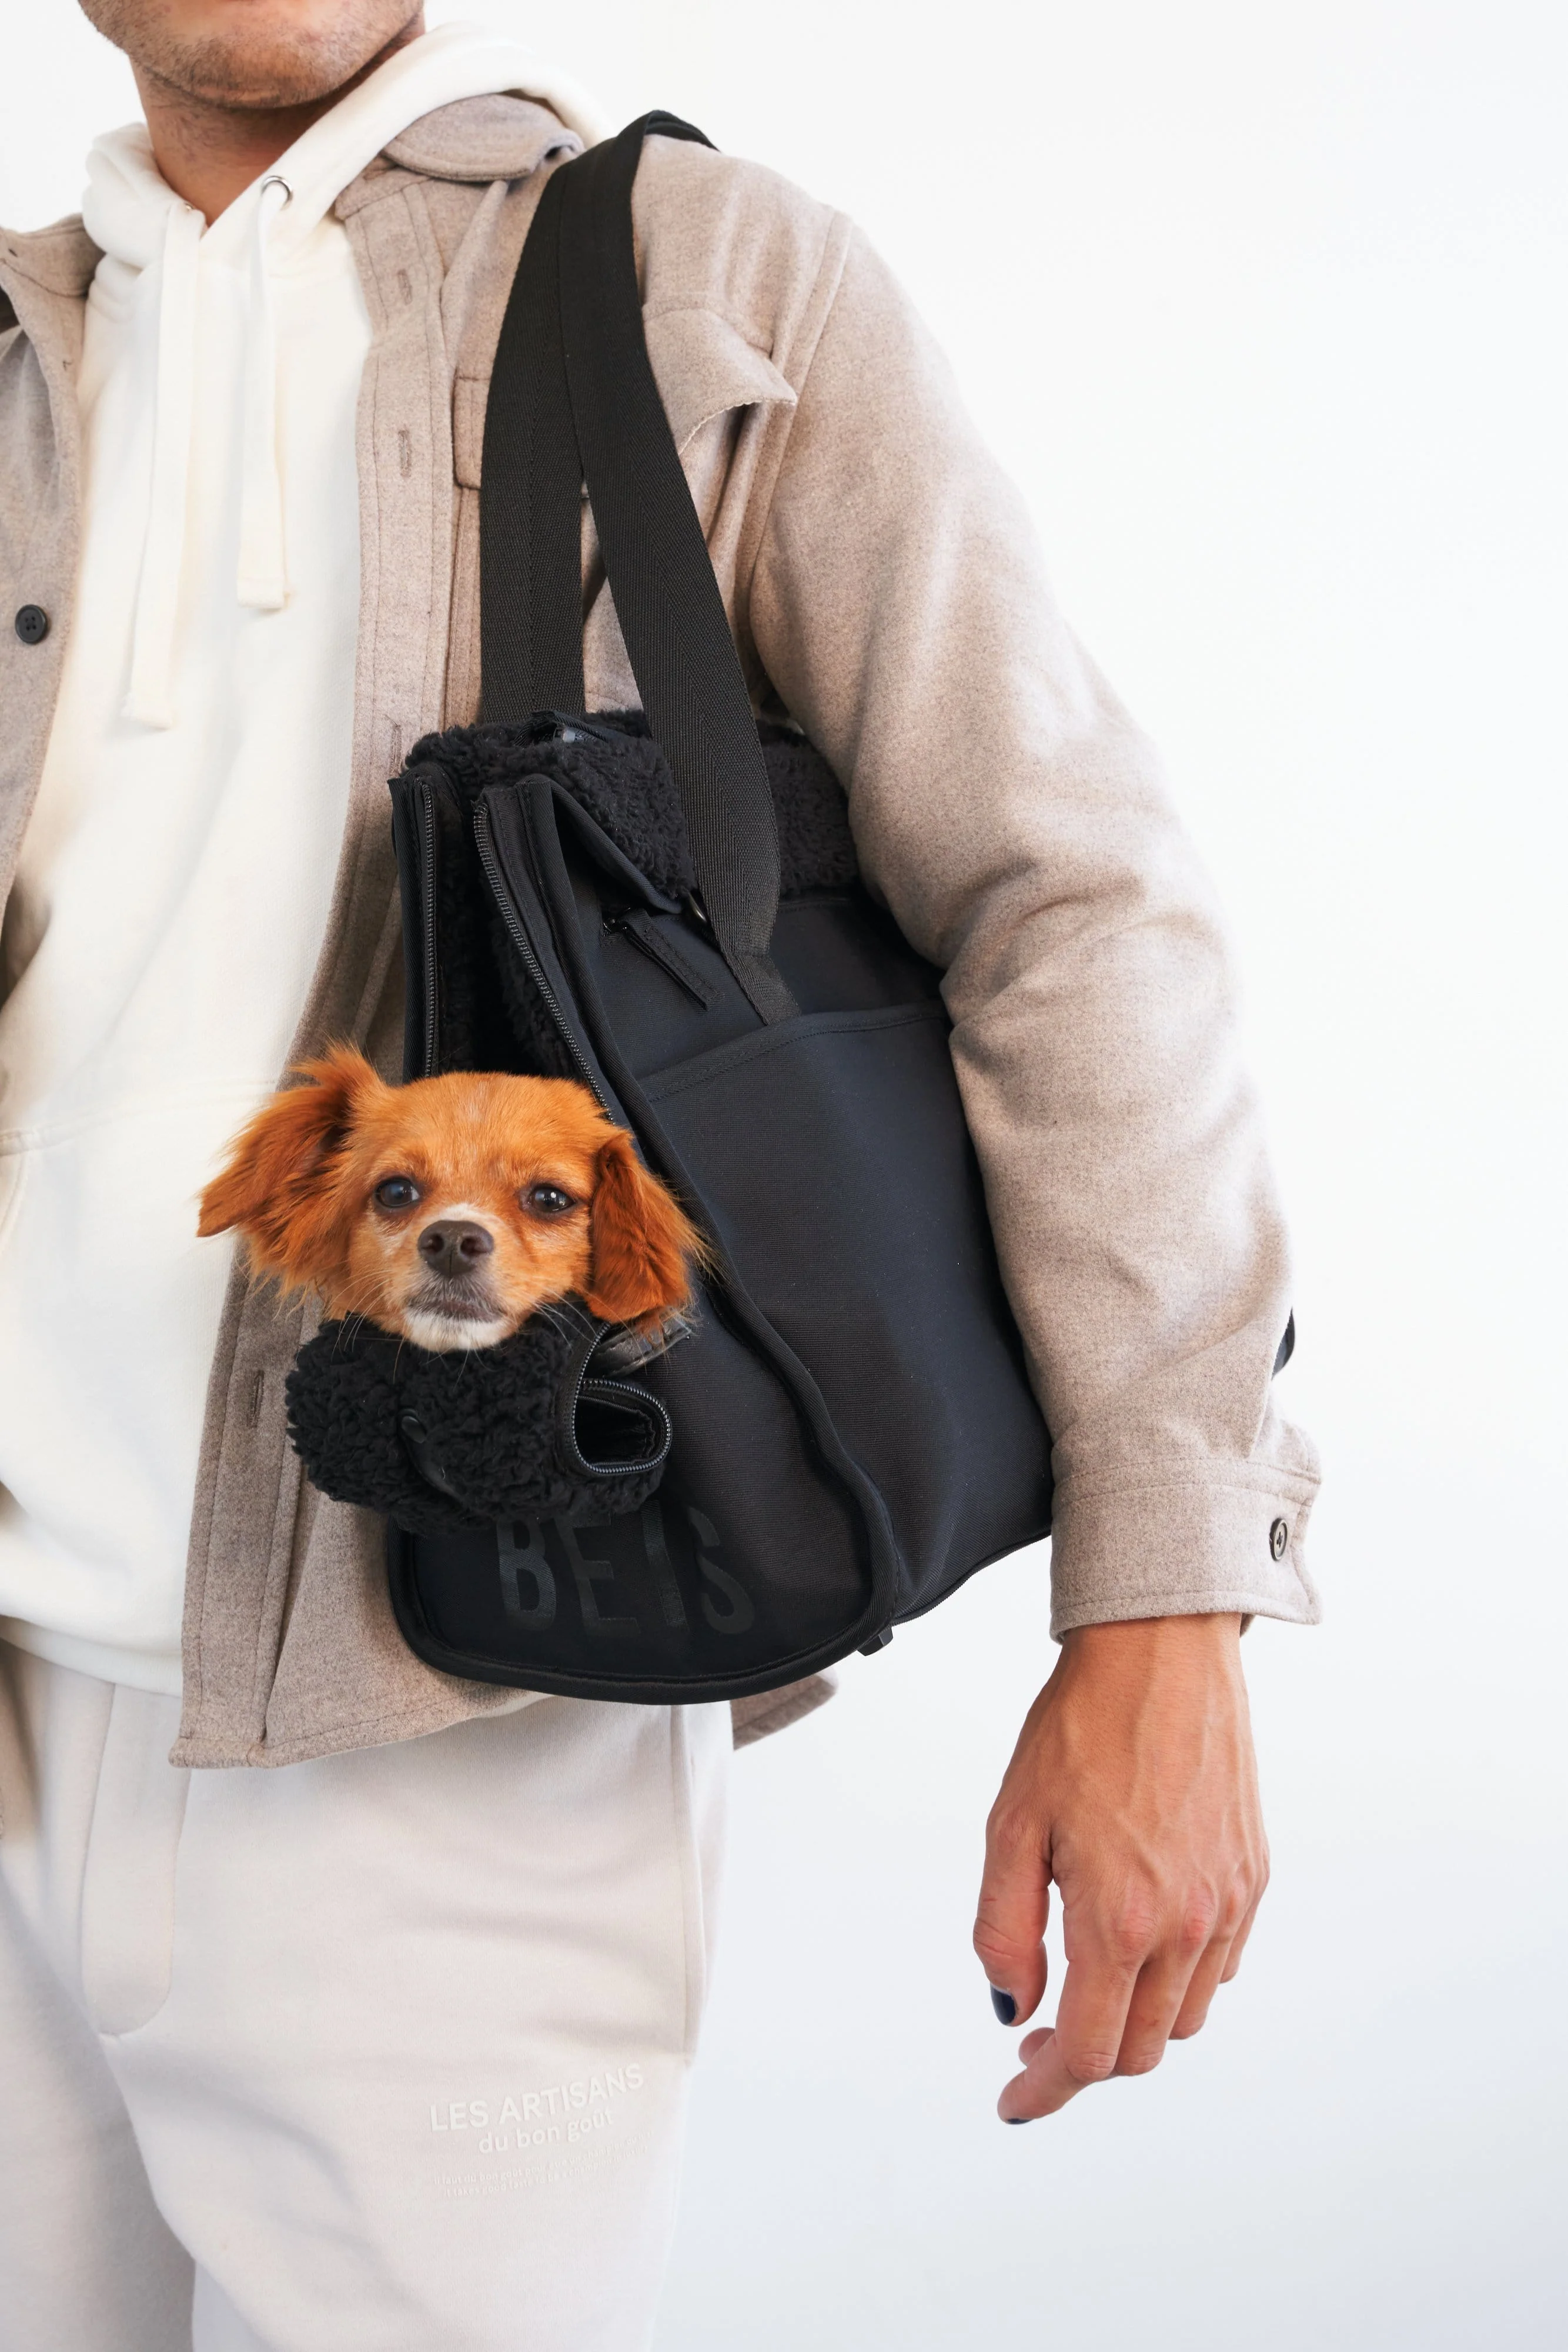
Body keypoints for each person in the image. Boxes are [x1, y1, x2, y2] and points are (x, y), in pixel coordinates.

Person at [0, 2, 1321, 2344]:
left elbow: (1070, 899)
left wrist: (1168, 1599)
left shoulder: (704, 278)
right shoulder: (21, 337)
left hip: (448, 1746)